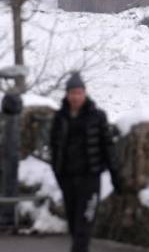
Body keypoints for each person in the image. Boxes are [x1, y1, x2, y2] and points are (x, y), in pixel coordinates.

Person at [50, 72, 121, 252]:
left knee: (85, 221)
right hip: (67, 177)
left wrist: (115, 174)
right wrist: (57, 172)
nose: (75, 97)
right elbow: (54, 146)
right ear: (67, 94)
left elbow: (108, 145)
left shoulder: (97, 116)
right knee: (74, 222)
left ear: (85, 93)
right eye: (72, 93)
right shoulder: (60, 118)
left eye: (79, 93)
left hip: (90, 178)